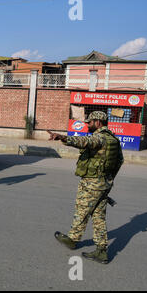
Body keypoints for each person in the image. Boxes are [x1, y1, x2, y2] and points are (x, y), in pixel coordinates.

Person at [48, 111, 124, 264]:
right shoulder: (113, 139)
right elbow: (119, 161)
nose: (88, 125)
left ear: (98, 122)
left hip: (92, 183)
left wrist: (63, 137)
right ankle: (101, 251)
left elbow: (84, 142)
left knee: (82, 211)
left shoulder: (99, 138)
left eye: (90, 122)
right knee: (98, 217)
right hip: (104, 184)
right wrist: (108, 181)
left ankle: (73, 239)